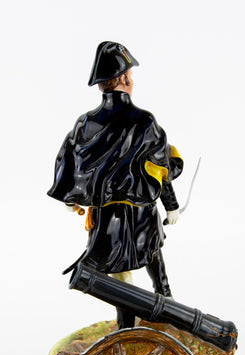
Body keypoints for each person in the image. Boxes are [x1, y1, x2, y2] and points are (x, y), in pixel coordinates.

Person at [48, 41, 183, 329]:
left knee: (120, 276)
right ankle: (167, 303)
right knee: (152, 254)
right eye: (130, 75)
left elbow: (69, 159)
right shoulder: (145, 122)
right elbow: (160, 168)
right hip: (142, 214)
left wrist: (71, 198)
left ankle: (126, 326)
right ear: (125, 80)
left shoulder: (86, 123)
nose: (132, 80)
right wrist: (171, 206)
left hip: (107, 219)